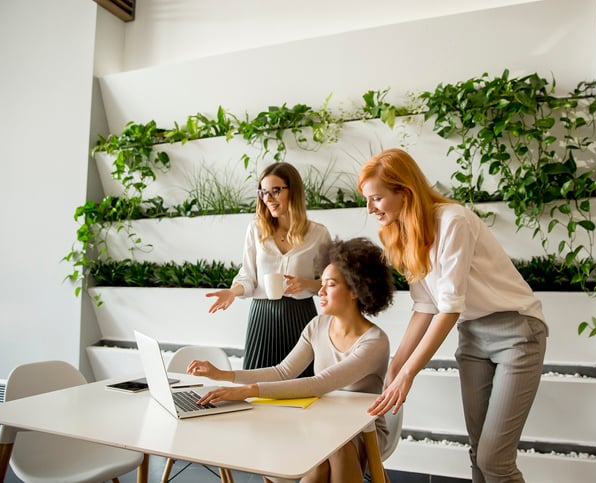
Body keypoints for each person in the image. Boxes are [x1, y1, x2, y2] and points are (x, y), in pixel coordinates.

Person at [359, 148, 548, 483]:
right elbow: (425, 307)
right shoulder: (404, 234)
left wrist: (409, 374)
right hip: (472, 336)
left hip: (517, 332)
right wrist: (396, 365)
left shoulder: (453, 220)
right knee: (478, 455)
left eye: (376, 198)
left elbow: (449, 307)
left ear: (404, 191)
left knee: (495, 460)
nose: (370, 209)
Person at [189, 237, 395, 483]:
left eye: (329, 285)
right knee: (317, 464)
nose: (320, 291)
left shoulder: (374, 341)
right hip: (322, 422)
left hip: (364, 431)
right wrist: (224, 375)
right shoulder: (317, 325)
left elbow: (320, 383)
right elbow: (283, 371)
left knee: (337, 446)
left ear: (355, 290)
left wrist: (247, 390)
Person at [206, 162, 331, 376]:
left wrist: (306, 284)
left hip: (301, 317)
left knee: (303, 387)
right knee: (256, 388)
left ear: (294, 191)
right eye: (263, 193)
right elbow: (248, 277)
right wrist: (231, 292)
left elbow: (332, 282)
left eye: (275, 191)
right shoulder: (255, 229)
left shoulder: (318, 234)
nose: (268, 199)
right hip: (263, 318)